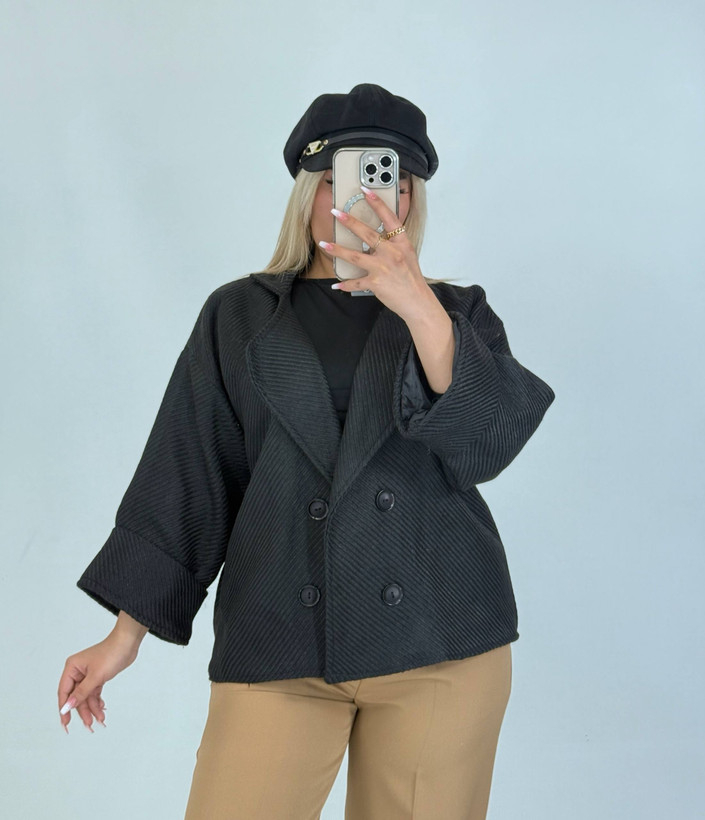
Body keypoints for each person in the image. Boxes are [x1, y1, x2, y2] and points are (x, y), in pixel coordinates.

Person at [58, 83, 556, 819]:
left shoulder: (456, 314)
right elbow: (190, 471)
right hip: (278, 638)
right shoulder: (239, 315)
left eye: (389, 182)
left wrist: (417, 304)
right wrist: (123, 634)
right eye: (338, 180)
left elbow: (490, 443)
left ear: (411, 200)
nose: (362, 199)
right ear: (308, 193)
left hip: (440, 640)